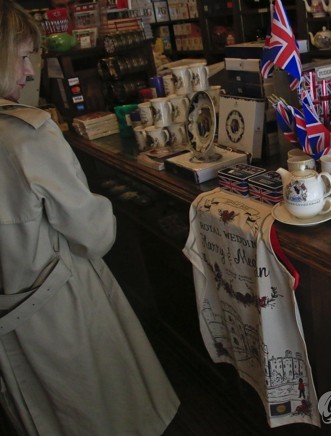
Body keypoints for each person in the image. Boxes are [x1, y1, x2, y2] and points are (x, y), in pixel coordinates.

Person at [0, 1, 179, 434]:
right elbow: (93, 234)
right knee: (104, 411)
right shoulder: (28, 135)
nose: (28, 72)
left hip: (10, 317)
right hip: (58, 307)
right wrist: (104, 206)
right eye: (23, 57)